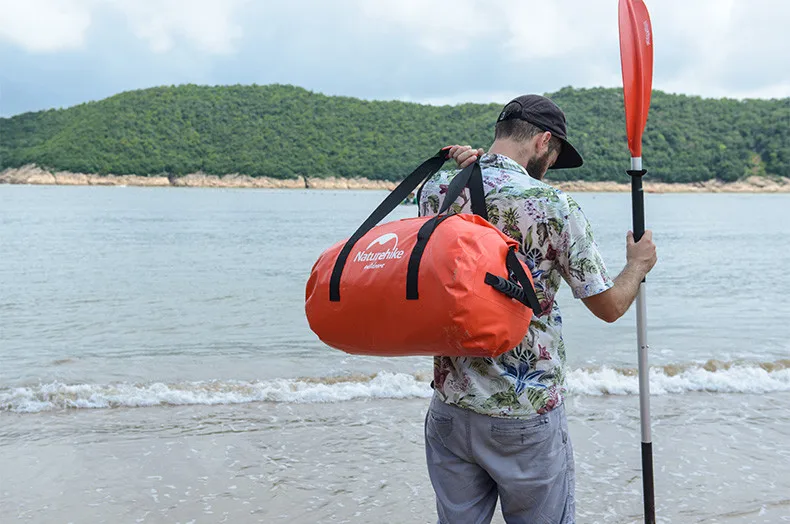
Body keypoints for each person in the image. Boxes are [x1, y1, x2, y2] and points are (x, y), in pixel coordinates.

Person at [419, 94, 658, 524]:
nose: (549, 167)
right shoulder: (553, 205)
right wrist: (637, 266)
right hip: (523, 415)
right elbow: (608, 307)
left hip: (451, 409)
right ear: (543, 141)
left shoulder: (436, 190)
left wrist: (469, 170)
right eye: (553, 156)